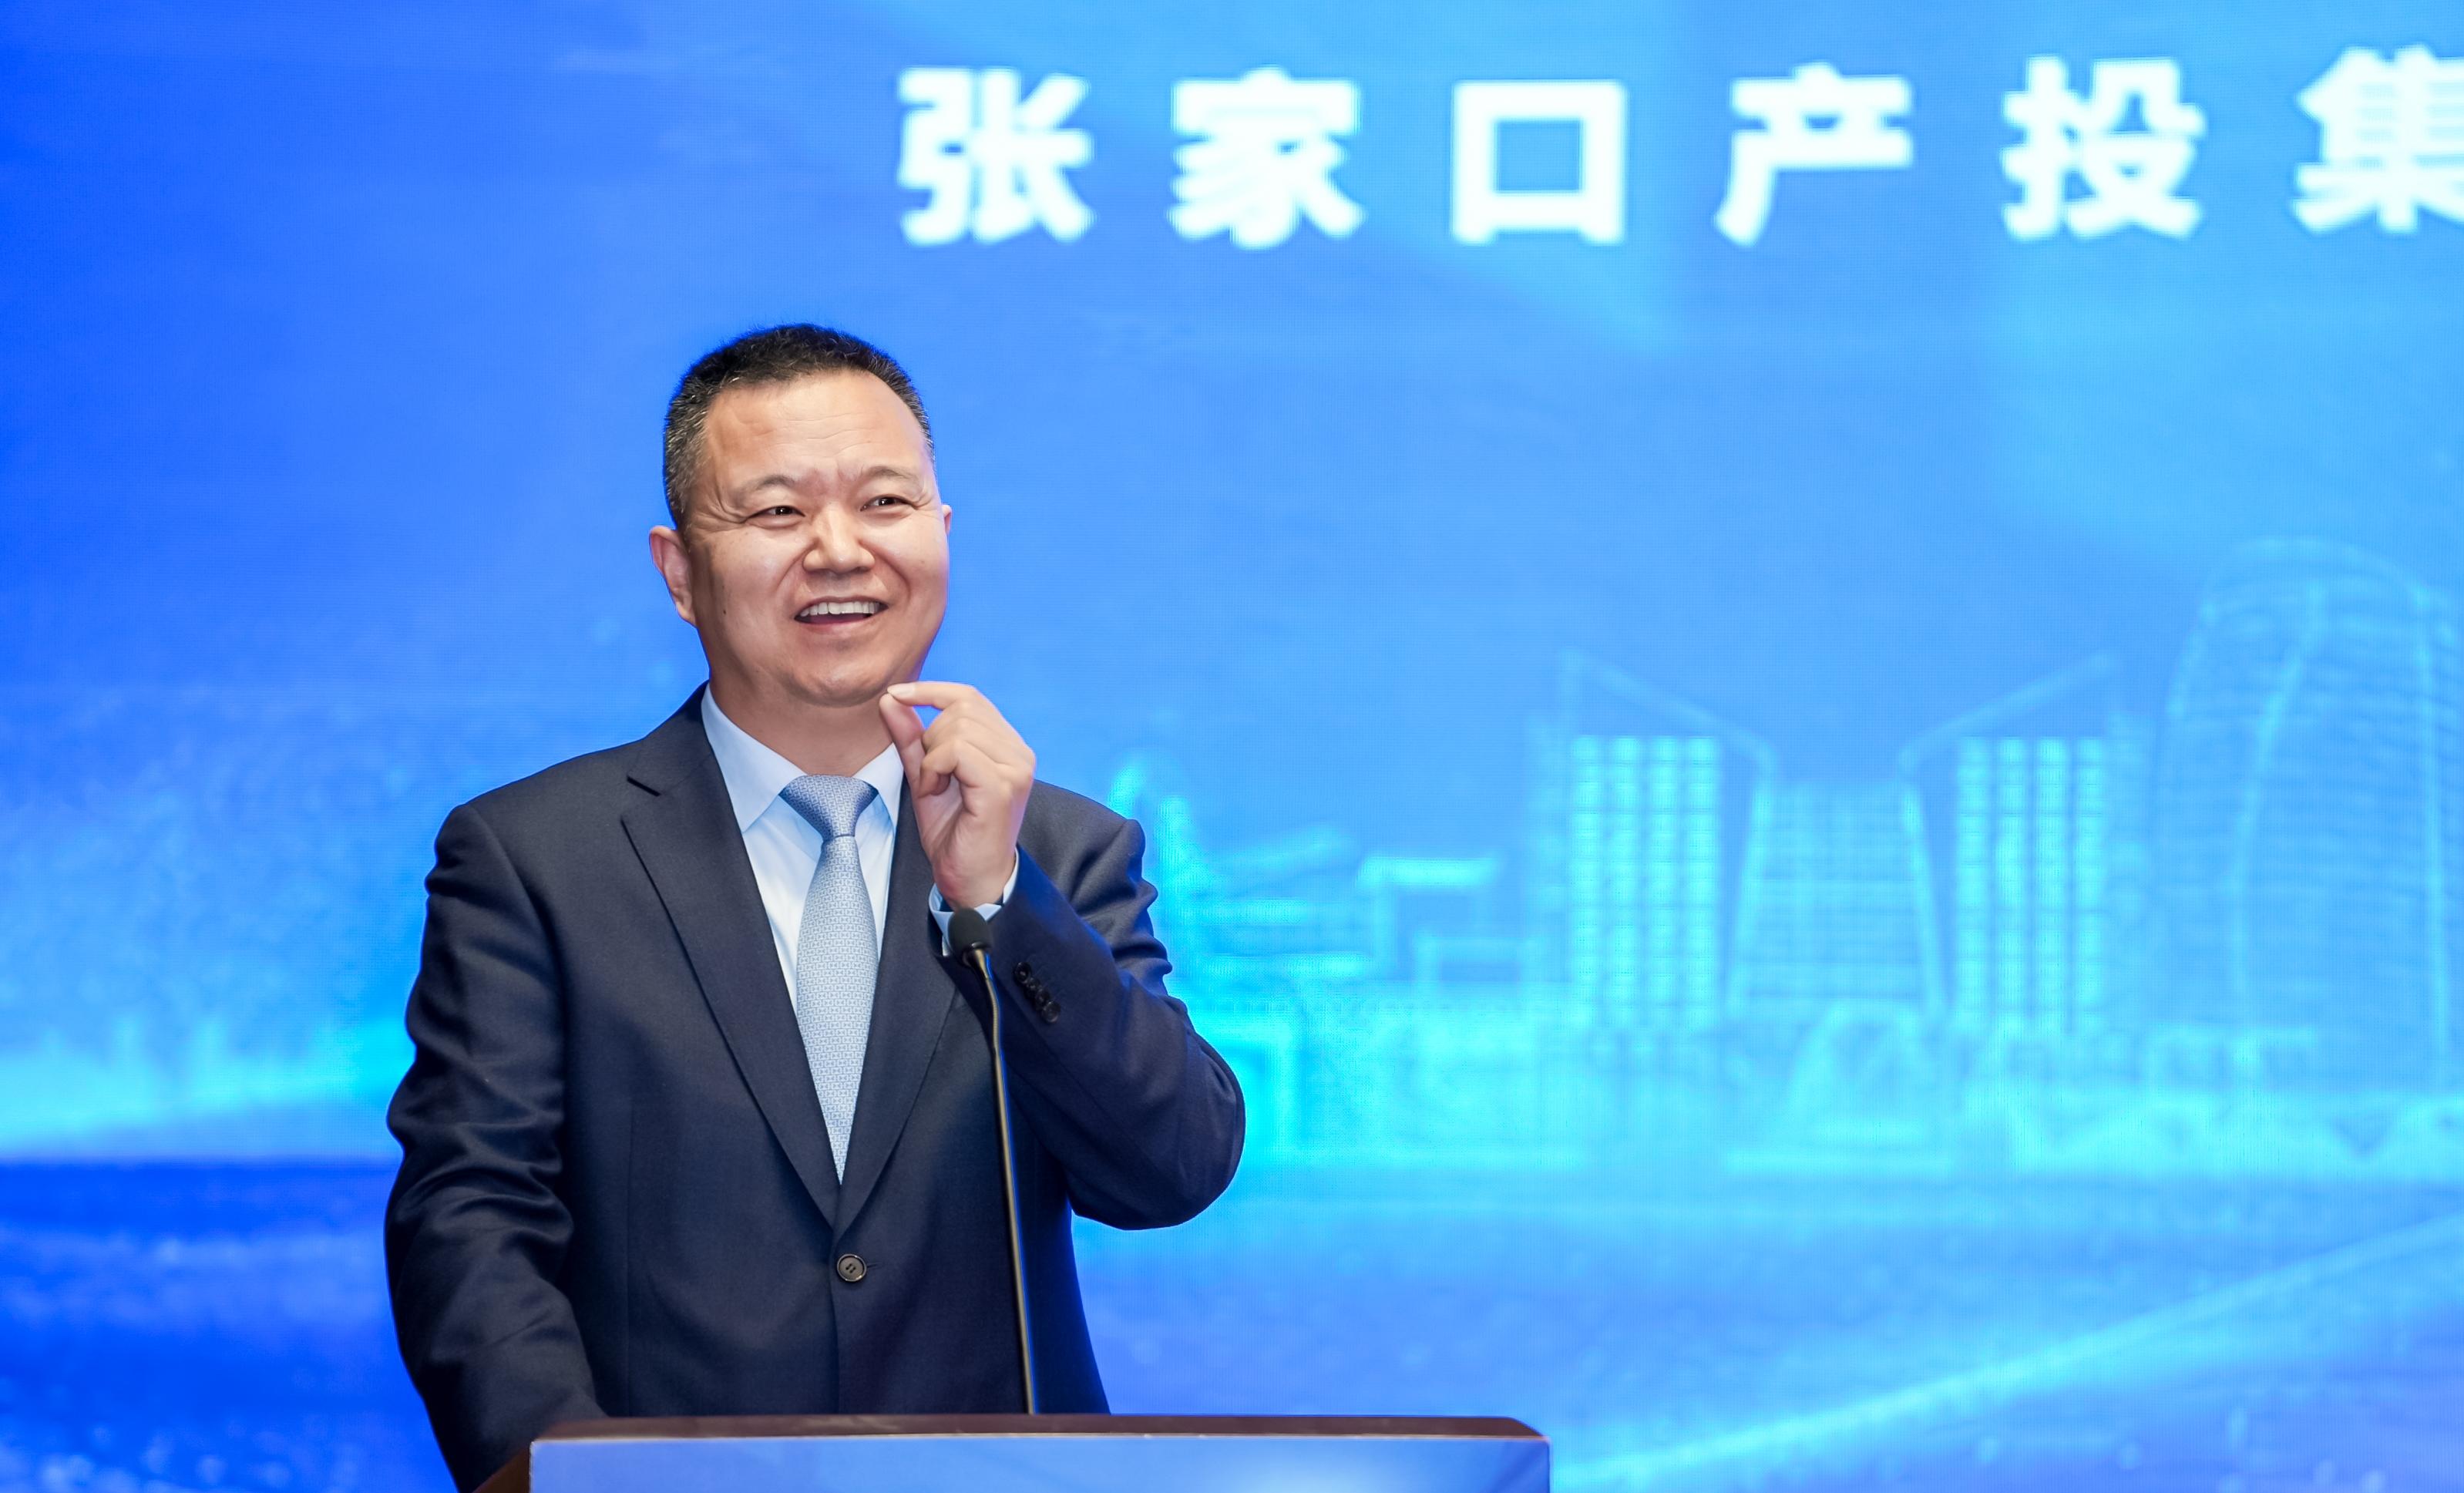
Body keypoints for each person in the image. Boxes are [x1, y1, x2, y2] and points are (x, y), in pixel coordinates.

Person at [383, 324, 1245, 1491]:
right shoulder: (533, 857)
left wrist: (999, 902)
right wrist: (576, 1476)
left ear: (941, 534)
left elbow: (1169, 1171)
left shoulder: (1055, 848)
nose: (840, 551)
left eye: (885, 502)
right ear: (679, 570)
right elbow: (471, 1217)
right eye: (779, 512)